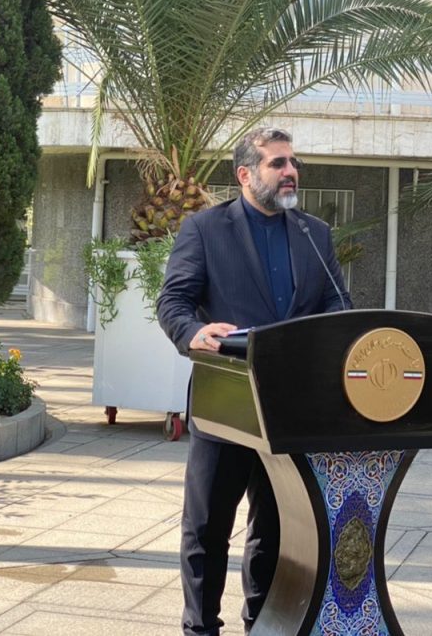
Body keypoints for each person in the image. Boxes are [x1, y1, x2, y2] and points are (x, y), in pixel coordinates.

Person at [157, 127, 352, 635]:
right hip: (227, 400)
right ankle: (201, 628)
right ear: (245, 174)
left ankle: (262, 625)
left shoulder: (314, 233)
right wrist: (194, 332)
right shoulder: (205, 229)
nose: (291, 171)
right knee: (207, 527)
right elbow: (173, 301)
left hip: (291, 406)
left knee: (275, 527)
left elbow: (337, 303)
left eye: (294, 162)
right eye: (277, 163)